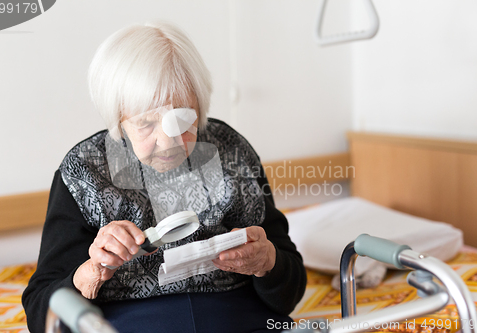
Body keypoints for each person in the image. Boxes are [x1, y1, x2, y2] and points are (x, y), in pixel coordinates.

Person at [22, 22, 306, 333]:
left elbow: (290, 291)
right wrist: (88, 274)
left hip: (239, 317)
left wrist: (269, 262)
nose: (170, 141)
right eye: (146, 124)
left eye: (184, 119)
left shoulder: (232, 151)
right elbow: (40, 312)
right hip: (126, 323)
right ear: (118, 118)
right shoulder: (83, 172)